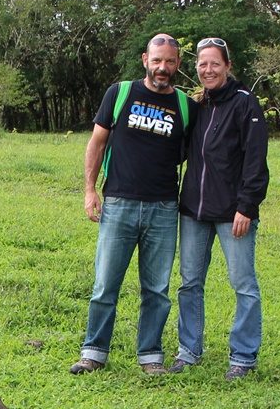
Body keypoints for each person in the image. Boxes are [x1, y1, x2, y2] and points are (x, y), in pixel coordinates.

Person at [70, 34, 197, 375]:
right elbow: (97, 143)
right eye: (157, 60)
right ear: (145, 59)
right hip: (119, 203)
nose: (162, 68)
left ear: (178, 64)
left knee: (157, 289)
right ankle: (93, 351)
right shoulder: (120, 93)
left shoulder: (186, 107)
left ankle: (150, 355)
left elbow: (200, 153)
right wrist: (89, 189)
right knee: (105, 284)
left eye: (170, 62)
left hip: (164, 209)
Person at [168, 37, 269, 380]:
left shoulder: (245, 105)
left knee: (243, 284)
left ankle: (243, 357)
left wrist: (247, 206)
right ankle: (189, 350)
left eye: (214, 63)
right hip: (194, 211)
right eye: (202, 64)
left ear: (227, 66)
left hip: (233, 214)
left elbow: (256, 162)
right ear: (195, 67)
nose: (207, 69)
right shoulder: (198, 106)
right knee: (189, 282)